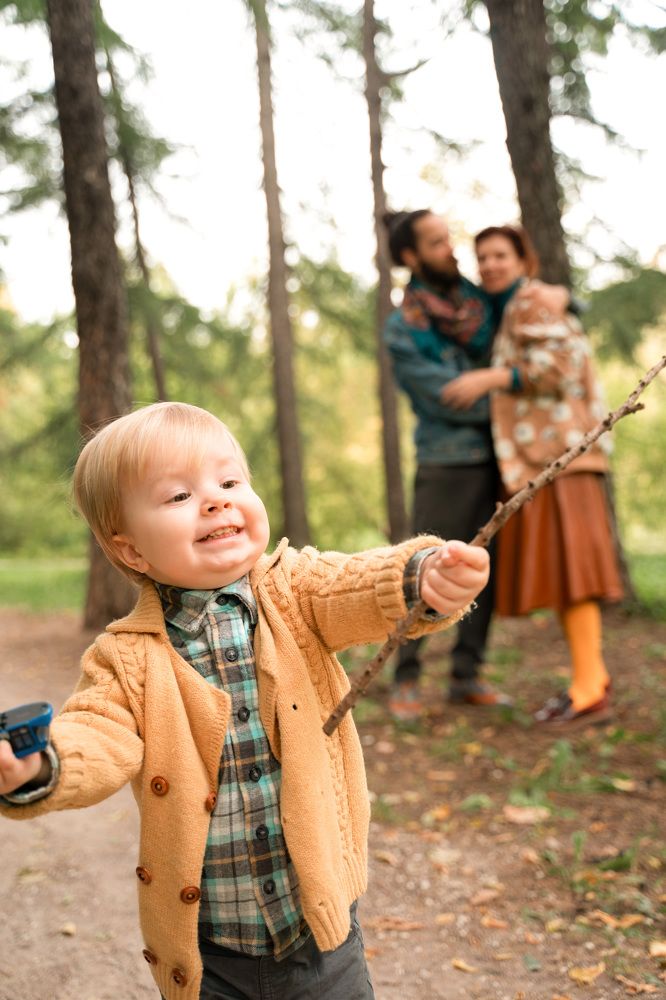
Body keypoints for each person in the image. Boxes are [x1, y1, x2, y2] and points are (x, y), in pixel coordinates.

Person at [0, 401, 490, 1000]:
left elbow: (356, 585)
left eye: (230, 481)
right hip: (211, 955)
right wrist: (40, 765)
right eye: (178, 496)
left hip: (320, 937)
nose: (215, 500)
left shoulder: (294, 591)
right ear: (130, 551)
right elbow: (97, 735)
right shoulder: (126, 660)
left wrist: (421, 577)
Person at [383, 209, 569, 721]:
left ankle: (466, 675)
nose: (452, 248)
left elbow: (539, 314)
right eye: (438, 242)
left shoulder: (483, 301)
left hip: (502, 457)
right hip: (445, 460)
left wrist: (565, 295)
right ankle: (406, 678)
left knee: (485, 567)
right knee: (422, 565)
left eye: (448, 238)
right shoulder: (403, 328)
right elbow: (444, 398)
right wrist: (510, 400)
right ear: (410, 256)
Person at [443, 224, 623, 724]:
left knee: (575, 578)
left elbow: (561, 365)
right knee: (569, 578)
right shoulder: (518, 306)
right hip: (548, 459)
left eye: (500, 255)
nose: (490, 265)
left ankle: (590, 688)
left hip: (562, 456)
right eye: (483, 258)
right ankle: (590, 680)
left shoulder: (534, 300)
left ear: (525, 260)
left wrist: (491, 377)